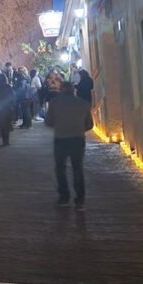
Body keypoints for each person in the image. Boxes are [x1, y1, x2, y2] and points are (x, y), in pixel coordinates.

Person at [47, 81, 93, 210]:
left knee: (60, 168)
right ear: (73, 90)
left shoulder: (54, 103)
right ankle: (80, 200)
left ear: (61, 89)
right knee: (77, 168)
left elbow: (49, 121)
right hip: (78, 138)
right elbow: (89, 125)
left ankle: (64, 197)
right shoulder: (83, 103)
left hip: (61, 138)